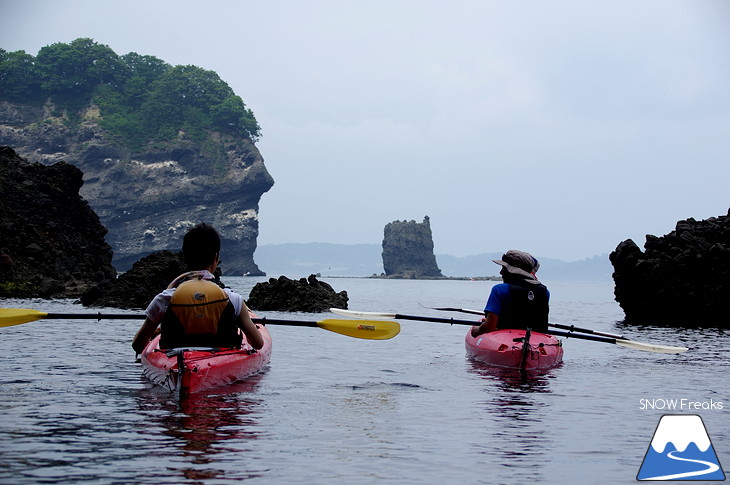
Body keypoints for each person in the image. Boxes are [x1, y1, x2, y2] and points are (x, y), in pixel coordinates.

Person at [132, 223, 264, 354]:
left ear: (184, 257)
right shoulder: (233, 299)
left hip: (174, 359)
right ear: (216, 257)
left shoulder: (163, 299)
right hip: (220, 360)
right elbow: (258, 344)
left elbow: (138, 346)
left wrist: (155, 332)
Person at [471, 249, 550, 337]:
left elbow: (489, 326)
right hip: (537, 340)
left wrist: (477, 330)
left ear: (512, 271)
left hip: (506, 339)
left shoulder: (499, 290)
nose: (501, 272)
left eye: (504, 268)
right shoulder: (545, 292)